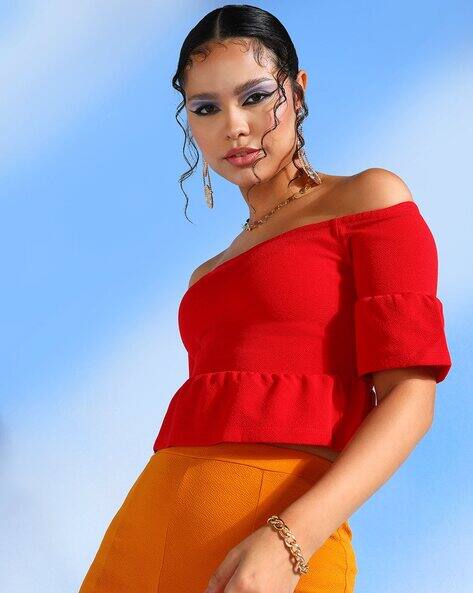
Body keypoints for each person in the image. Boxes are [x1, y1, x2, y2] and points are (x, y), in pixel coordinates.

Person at [78, 5, 452, 593]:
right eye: (206, 108)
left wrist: (289, 541)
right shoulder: (207, 274)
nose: (234, 126)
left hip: (274, 550)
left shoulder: (367, 200)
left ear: (297, 91)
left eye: (255, 97)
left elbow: (411, 399)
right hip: (143, 538)